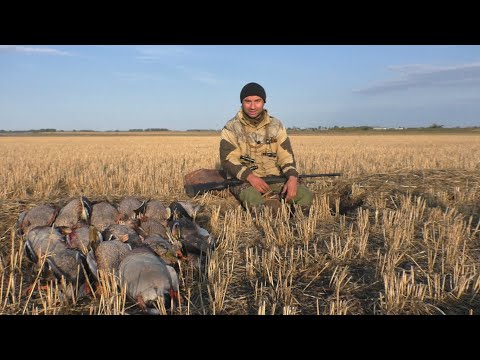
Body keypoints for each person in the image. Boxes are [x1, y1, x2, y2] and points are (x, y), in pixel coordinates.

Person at [219, 82, 313, 215]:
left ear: (264, 102)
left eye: (257, 101)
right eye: (248, 101)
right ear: (242, 102)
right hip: (245, 180)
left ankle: (297, 230)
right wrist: (250, 177)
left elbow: (285, 156)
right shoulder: (231, 127)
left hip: (274, 177)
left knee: (305, 195)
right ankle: (266, 231)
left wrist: (292, 178)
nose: (252, 106)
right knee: (254, 200)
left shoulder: (276, 125)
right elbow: (228, 159)